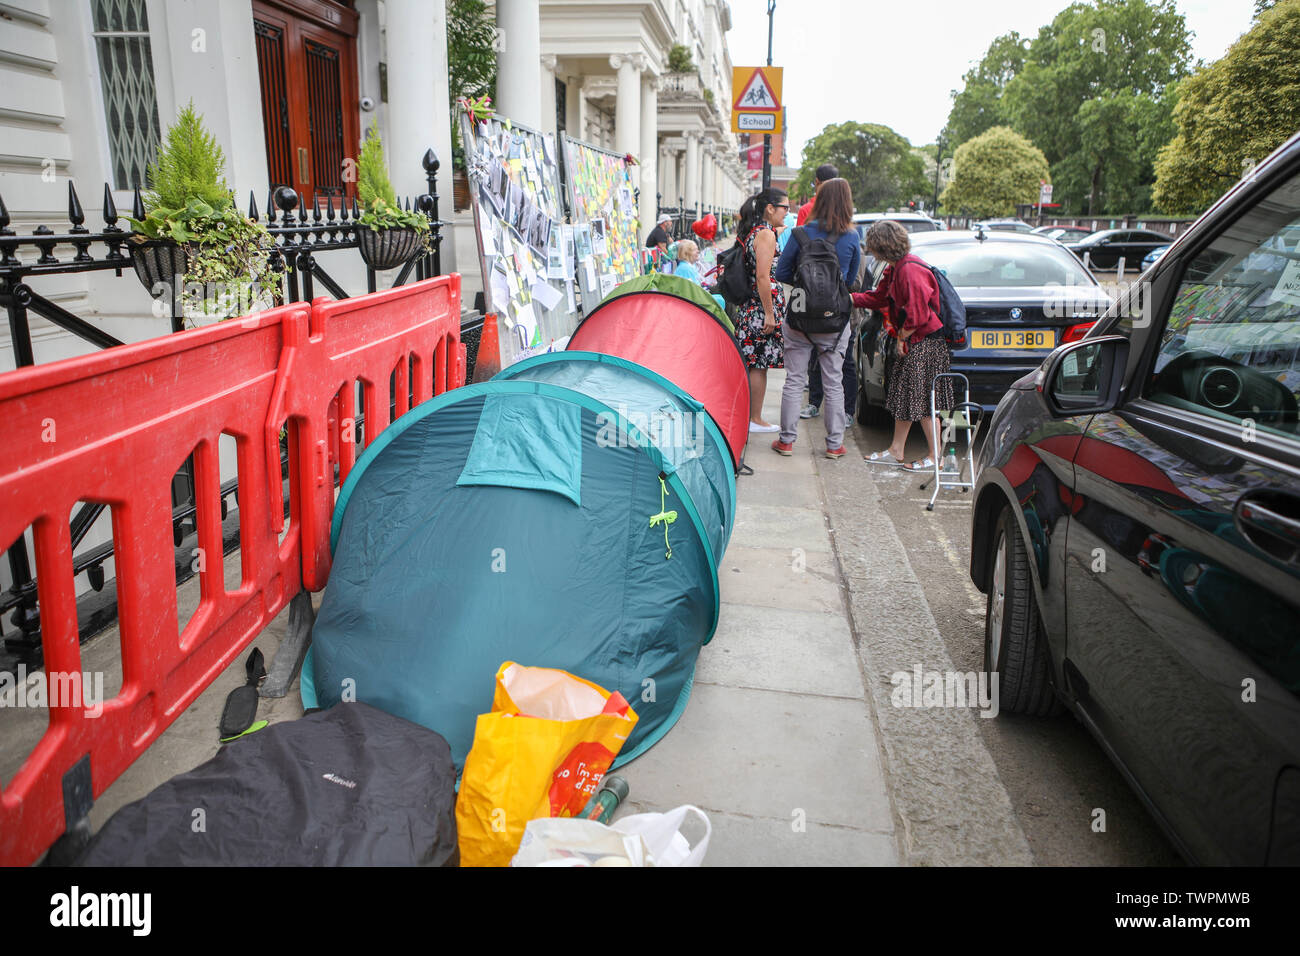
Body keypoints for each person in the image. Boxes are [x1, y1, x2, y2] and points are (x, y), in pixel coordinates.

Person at [852, 220, 953, 471]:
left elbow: (918, 316)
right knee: (906, 399)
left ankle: (934, 457)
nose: (871, 252)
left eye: (873, 247)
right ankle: (897, 450)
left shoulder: (909, 270)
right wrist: (849, 298)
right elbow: (878, 297)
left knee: (924, 402)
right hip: (917, 342)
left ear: (881, 247)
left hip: (924, 343)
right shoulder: (896, 268)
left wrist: (901, 337)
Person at [772, 177, 859, 459]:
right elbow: (851, 280)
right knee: (833, 381)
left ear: (819, 201)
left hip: (799, 316)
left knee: (795, 379)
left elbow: (782, 273)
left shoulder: (800, 234)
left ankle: (786, 441)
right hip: (834, 320)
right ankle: (834, 445)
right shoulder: (852, 238)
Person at [733, 187, 789, 434]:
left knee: (755, 363)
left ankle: (752, 416)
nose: (787, 212)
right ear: (770, 208)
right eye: (785, 207)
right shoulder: (765, 234)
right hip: (759, 309)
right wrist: (770, 313)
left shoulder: (758, 231)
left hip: (753, 308)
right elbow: (763, 277)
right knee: (758, 364)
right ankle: (755, 419)